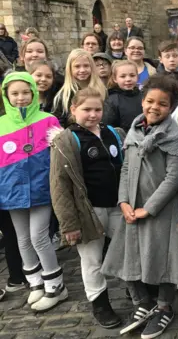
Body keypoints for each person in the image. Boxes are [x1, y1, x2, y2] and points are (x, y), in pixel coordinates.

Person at [101, 75, 178, 338]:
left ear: (171, 107)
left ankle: (164, 306)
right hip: (132, 208)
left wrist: (148, 208)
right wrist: (124, 201)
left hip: (161, 210)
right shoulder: (135, 131)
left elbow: (173, 178)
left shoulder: (174, 136)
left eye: (162, 103)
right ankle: (143, 303)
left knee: (164, 258)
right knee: (128, 256)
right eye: (150, 101)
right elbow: (126, 168)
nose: (155, 107)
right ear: (143, 101)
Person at [49, 88, 126, 328]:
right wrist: (69, 224)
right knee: (92, 260)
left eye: (97, 109)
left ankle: (138, 294)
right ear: (73, 110)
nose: (92, 114)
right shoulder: (67, 139)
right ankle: (100, 304)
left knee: (127, 251)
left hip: (117, 206)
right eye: (86, 110)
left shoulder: (113, 133)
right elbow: (59, 185)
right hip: (88, 210)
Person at [0, 72, 67, 311]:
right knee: (22, 239)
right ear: (6, 95)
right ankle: (35, 282)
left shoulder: (48, 120)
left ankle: (56, 283)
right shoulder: (1, 125)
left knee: (39, 236)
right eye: (15, 93)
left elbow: (61, 156)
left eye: (25, 92)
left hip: (41, 189)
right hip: (12, 192)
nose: (21, 98)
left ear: (33, 92)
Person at [52, 49, 107, 128]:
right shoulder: (64, 95)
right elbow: (58, 121)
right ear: (70, 69)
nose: (82, 70)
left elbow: (108, 116)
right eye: (77, 66)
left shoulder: (102, 90)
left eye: (86, 66)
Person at [103, 60, 143, 133]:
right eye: (123, 76)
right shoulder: (112, 100)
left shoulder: (144, 96)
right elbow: (108, 126)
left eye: (132, 75)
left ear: (137, 77)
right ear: (115, 79)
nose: (128, 79)